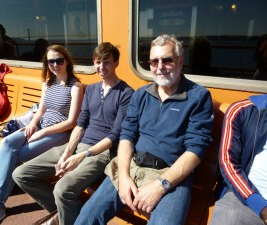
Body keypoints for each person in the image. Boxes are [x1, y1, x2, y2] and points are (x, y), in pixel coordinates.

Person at [74, 34, 214, 225]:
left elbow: (196, 149)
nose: (160, 67)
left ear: (180, 62)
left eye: (167, 60)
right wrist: (123, 177)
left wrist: (160, 185)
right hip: (132, 166)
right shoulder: (141, 94)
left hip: (171, 176)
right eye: (154, 61)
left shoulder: (198, 97)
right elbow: (126, 137)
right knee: (86, 218)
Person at [13, 42, 134, 225]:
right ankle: (62, 214)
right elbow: (80, 124)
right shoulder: (92, 89)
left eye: (107, 62)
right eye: (98, 62)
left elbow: (115, 136)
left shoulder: (126, 93)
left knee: (62, 189)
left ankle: (65, 216)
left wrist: (82, 156)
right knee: (21, 174)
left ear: (116, 63)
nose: (101, 67)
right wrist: (69, 152)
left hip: (101, 152)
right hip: (78, 144)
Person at [0, 44, 84, 225]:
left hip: (58, 133)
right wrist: (33, 124)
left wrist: (42, 133)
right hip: (40, 127)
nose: (55, 65)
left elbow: (71, 122)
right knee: (7, 143)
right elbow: (41, 110)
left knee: (16, 155)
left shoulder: (75, 86)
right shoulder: (48, 84)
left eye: (59, 60)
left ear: (66, 61)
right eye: (51, 62)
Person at [209, 95, 267, 225]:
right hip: (245, 197)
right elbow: (228, 162)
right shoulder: (242, 110)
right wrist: (260, 205)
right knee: (228, 218)